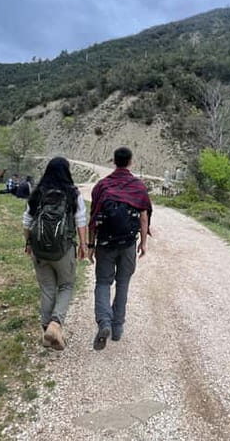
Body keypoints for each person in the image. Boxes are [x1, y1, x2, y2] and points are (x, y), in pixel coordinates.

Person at [88, 147, 152, 350]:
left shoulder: (102, 186)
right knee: (123, 283)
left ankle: (104, 322)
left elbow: (93, 218)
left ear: (113, 161)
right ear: (130, 162)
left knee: (103, 283)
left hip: (105, 243)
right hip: (127, 245)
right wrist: (143, 242)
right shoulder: (138, 186)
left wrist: (90, 245)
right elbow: (144, 217)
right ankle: (117, 328)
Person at [23, 158, 87, 350]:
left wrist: (28, 243)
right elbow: (80, 221)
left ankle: (46, 331)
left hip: (39, 250)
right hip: (63, 250)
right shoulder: (73, 193)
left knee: (47, 288)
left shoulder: (37, 193)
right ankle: (56, 324)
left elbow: (26, 221)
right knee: (66, 285)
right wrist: (83, 245)